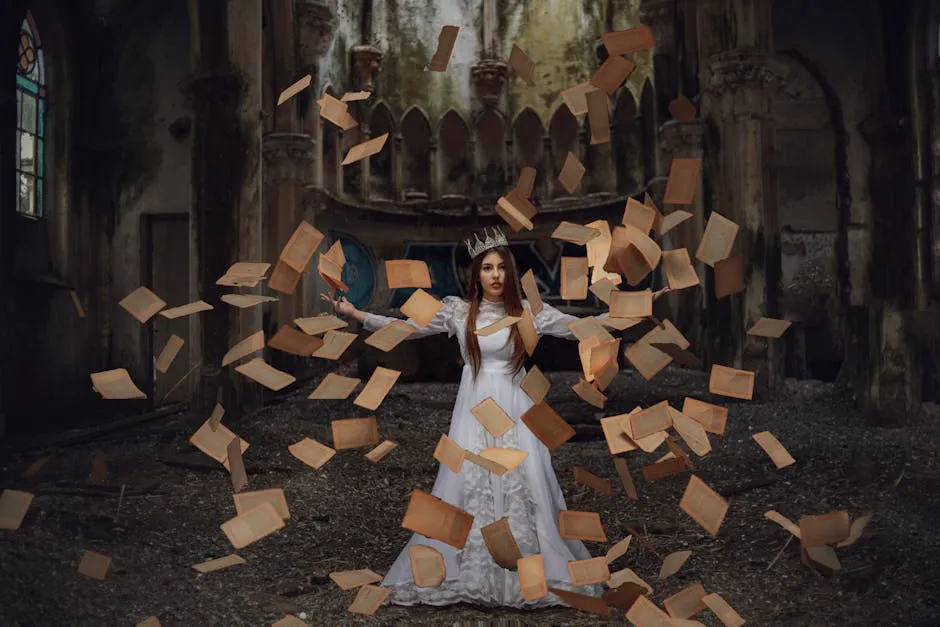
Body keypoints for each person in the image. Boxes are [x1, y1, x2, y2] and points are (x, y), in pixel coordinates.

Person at [321, 226, 670, 609]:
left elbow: (582, 327)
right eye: (487, 268)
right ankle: (471, 569)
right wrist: (355, 313)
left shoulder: (529, 312)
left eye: (501, 268)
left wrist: (638, 306)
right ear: (477, 274)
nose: (496, 275)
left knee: (529, 480)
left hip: (516, 408)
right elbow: (404, 328)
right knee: (466, 482)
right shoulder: (458, 311)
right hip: (473, 408)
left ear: (510, 272)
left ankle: (528, 570)